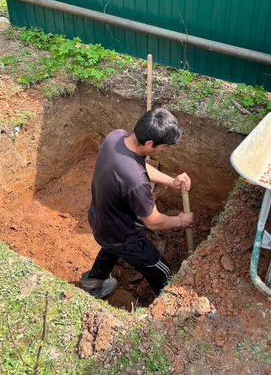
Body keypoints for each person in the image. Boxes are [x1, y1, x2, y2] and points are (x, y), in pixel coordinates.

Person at [81, 108, 194, 299]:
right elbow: (154, 222)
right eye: (164, 146)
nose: (164, 150)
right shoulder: (136, 182)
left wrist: (171, 181)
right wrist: (181, 221)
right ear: (150, 143)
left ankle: (92, 283)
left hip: (101, 219)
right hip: (123, 235)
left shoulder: (116, 137)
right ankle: (164, 307)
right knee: (162, 271)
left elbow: (140, 166)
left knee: (110, 248)